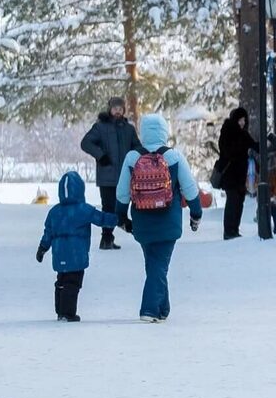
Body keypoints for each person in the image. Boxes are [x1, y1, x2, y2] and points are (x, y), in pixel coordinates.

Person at [116, 113, 204, 323]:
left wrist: (121, 217)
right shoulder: (174, 157)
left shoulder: (132, 158)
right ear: (165, 132)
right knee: (159, 265)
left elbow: (122, 193)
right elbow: (190, 189)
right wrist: (196, 213)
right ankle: (149, 309)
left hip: (142, 222)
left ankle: (162, 308)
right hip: (168, 221)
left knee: (154, 264)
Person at [35, 170, 119, 322]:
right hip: (77, 254)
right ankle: (68, 313)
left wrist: (42, 248)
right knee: (73, 283)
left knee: (61, 281)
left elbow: (48, 232)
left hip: (59, 254)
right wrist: (117, 217)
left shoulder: (55, 212)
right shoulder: (84, 209)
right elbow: (101, 219)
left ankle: (60, 311)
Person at [79, 98, 139, 249]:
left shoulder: (129, 129)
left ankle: (122, 224)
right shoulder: (100, 127)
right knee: (108, 206)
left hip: (125, 175)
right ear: (109, 109)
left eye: (120, 108)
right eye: (114, 108)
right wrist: (101, 156)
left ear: (124, 110)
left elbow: (137, 147)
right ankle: (106, 238)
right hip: (107, 176)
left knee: (124, 204)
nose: (117, 111)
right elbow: (86, 143)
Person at [215, 107, 256, 239]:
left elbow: (254, 145)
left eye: (244, 120)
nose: (243, 122)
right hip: (231, 175)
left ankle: (234, 229)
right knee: (232, 202)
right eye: (241, 119)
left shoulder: (242, 134)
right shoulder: (229, 132)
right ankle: (229, 231)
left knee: (238, 202)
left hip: (239, 176)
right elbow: (228, 151)